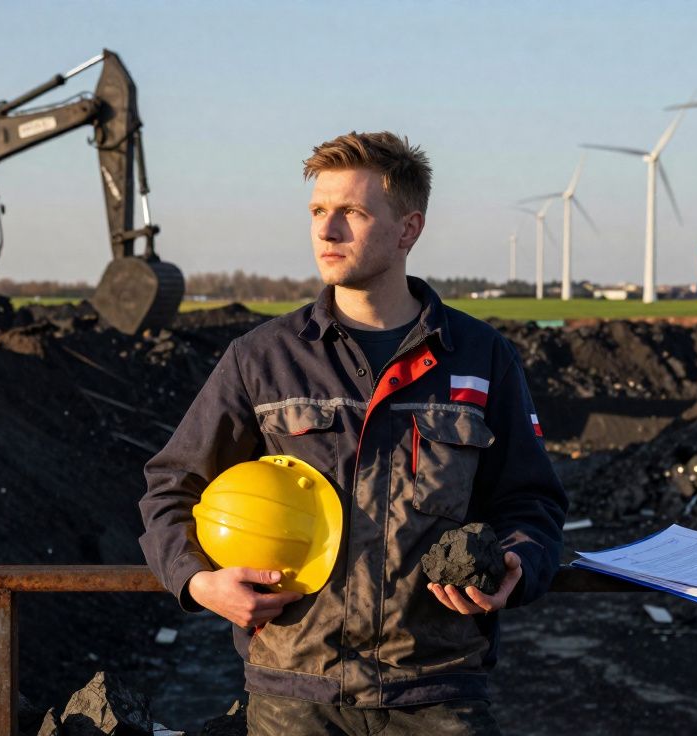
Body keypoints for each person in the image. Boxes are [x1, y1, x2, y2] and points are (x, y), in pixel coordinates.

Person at [139, 131, 567, 735]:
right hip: (295, 697)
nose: (326, 230)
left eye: (352, 213)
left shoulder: (481, 356)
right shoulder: (262, 360)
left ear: (408, 229)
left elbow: (532, 500)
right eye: (318, 210)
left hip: (439, 693)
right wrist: (199, 581)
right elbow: (170, 487)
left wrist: (517, 564)